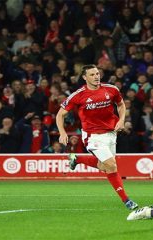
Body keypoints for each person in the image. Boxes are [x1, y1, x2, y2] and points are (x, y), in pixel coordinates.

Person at [56, 64, 138, 210]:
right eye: (92, 75)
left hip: (111, 133)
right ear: (84, 77)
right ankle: (127, 200)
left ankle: (77, 158)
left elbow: (121, 105)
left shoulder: (111, 89)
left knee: (104, 166)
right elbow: (60, 114)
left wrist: (121, 120)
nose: (96, 77)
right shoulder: (78, 95)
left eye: (97, 74)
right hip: (92, 136)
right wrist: (62, 132)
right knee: (111, 165)